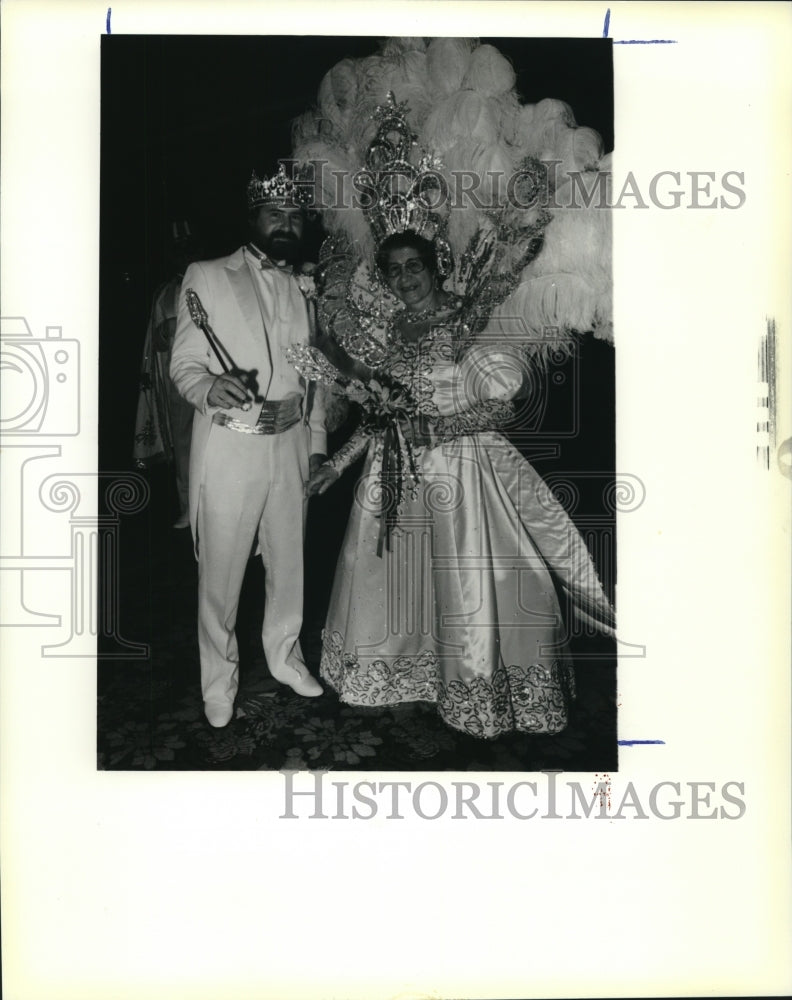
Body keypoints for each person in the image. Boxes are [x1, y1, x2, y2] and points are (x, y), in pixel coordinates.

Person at [306, 231, 614, 740]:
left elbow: (502, 405)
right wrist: (336, 465)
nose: (406, 279)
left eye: (414, 266)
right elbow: (377, 415)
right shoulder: (388, 330)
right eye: (395, 270)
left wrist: (440, 428)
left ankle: (473, 687)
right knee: (392, 579)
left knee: (466, 581)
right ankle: (408, 674)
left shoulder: (466, 321)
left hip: (458, 472)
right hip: (394, 476)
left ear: (434, 267)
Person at [170, 167, 326, 728]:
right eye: (273, 214)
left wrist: (318, 444)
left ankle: (285, 656)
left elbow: (318, 376)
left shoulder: (309, 286)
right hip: (231, 444)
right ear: (253, 218)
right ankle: (218, 680)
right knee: (221, 573)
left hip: (290, 442)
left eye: (294, 216)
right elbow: (183, 364)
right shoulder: (207, 275)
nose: (284, 224)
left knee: (291, 563)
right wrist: (210, 386)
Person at [133, 224, 199, 527]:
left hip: (213, 375)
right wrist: (164, 331)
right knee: (184, 445)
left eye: (188, 247)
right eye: (178, 249)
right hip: (177, 383)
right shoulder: (165, 293)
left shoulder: (212, 281)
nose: (183, 255)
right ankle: (188, 505)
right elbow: (153, 343)